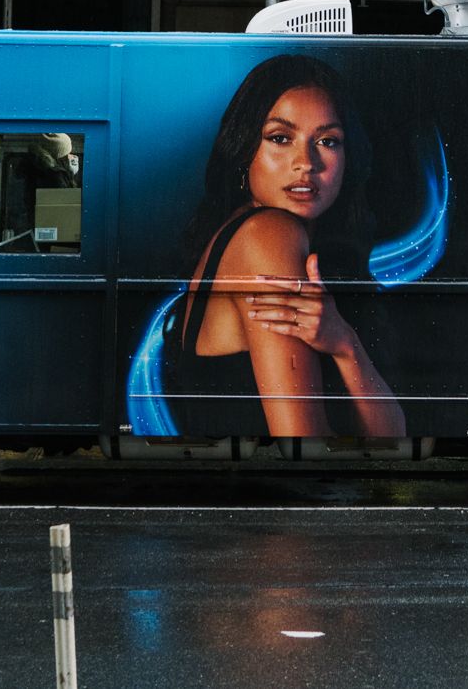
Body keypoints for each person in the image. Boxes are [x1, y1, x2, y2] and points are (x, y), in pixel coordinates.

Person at [167, 53, 405, 438]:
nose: (306, 162)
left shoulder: (269, 235)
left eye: (327, 141)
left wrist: (345, 344)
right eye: (280, 138)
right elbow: (303, 447)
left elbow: (392, 436)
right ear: (245, 150)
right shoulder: (269, 235)